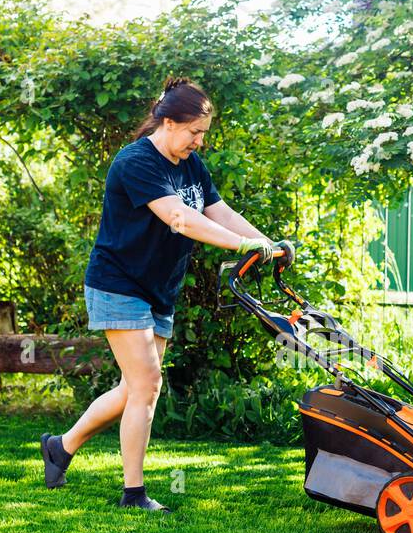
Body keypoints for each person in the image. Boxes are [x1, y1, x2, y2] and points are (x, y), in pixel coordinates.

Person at [41, 77, 275, 510]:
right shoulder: (136, 161)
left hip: (159, 287)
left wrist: (268, 244)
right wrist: (241, 246)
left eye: (203, 133)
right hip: (118, 283)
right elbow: (179, 218)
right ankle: (133, 494)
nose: (199, 141)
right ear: (169, 122)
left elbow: (219, 211)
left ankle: (61, 446)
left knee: (134, 389)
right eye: (194, 132)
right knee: (147, 385)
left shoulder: (190, 164)